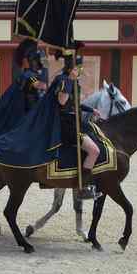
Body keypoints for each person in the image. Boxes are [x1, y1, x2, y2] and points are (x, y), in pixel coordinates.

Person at [51, 52, 102, 200]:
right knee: (94, 151)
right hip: (66, 126)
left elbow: (75, 104)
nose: (80, 71)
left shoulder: (72, 82)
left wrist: (91, 110)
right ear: (70, 69)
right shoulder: (63, 80)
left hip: (74, 123)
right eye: (77, 68)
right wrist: (70, 80)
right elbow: (62, 101)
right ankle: (82, 188)